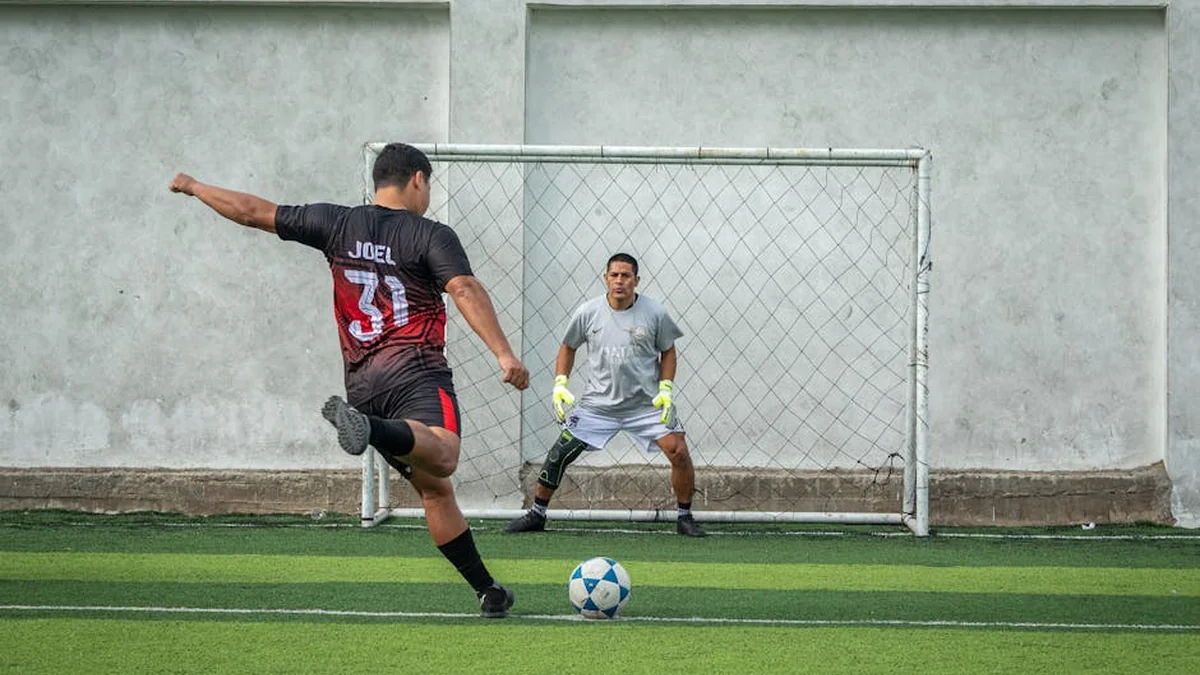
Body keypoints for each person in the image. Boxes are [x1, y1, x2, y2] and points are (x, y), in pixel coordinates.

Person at [169, 142, 530, 618]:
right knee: (443, 456)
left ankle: (488, 590)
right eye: (429, 185)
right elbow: (463, 287)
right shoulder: (431, 234)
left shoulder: (337, 223)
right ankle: (367, 427)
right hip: (414, 369)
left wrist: (194, 186)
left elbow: (254, 212)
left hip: (363, 380)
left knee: (434, 491)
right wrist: (504, 353)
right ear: (418, 180)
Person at [505, 253, 706, 537]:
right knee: (560, 452)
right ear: (606, 278)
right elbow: (568, 346)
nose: (619, 281)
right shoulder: (588, 312)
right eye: (614, 275)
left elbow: (668, 350)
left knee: (679, 451)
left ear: (636, 280)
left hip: (646, 407)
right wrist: (560, 384)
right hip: (597, 407)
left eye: (626, 276)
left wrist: (666, 389)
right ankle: (537, 513)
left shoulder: (655, 313)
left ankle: (685, 517)